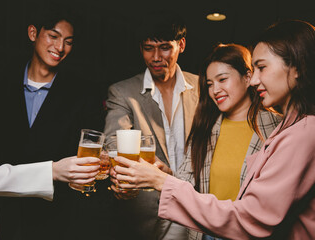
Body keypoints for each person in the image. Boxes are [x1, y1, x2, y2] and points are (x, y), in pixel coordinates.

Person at [113, 19, 315, 239]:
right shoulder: (207, 126)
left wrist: (161, 181)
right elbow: (191, 182)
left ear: (297, 67)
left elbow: (251, 218)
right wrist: (165, 176)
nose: (256, 79)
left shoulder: (300, 131)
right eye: (209, 84)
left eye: (262, 67)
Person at [0, 7, 111, 240]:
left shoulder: (84, 94)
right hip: (2, 211)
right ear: (32, 33)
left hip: (58, 219)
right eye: (53, 36)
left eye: (68, 41)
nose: (60, 48)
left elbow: (88, 153)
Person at [104, 11, 199, 239]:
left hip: (198, 211)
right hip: (148, 218)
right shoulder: (122, 92)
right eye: (148, 48)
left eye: (165, 47)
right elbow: (113, 141)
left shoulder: (204, 87)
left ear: (181, 45)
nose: (156, 57)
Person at [175, 43, 281, 239]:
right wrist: (160, 174)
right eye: (209, 84)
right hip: (205, 233)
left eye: (222, 79)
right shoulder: (205, 127)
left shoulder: (277, 128)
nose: (215, 90)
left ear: (248, 77)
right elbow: (185, 180)